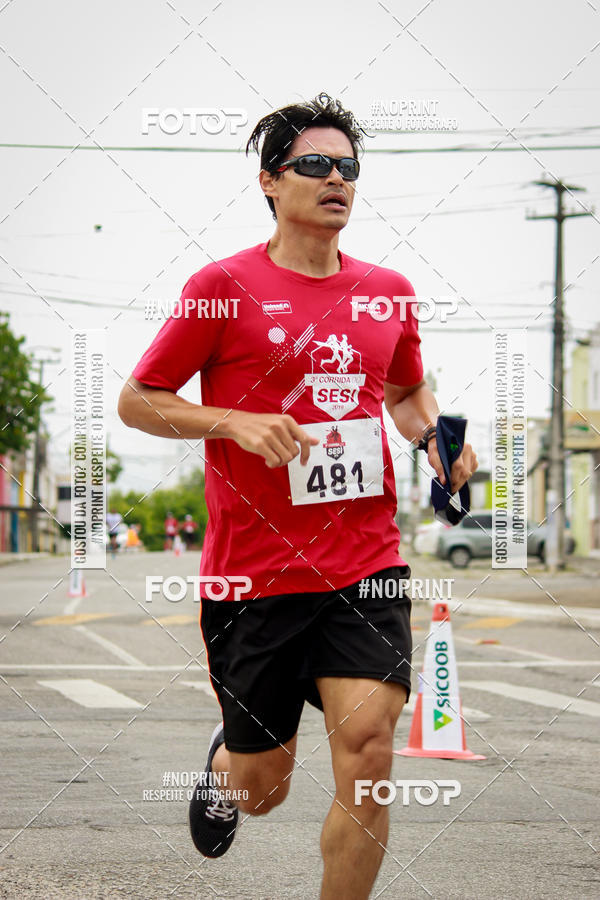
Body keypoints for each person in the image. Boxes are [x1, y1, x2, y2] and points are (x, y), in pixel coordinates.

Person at [118, 93, 477, 899]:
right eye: (314, 164)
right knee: (263, 788)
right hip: (256, 578)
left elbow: (408, 391)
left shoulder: (388, 290)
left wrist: (434, 441)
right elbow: (139, 399)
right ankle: (225, 768)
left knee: (371, 755)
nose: (335, 179)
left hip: (364, 566)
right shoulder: (223, 285)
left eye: (348, 167)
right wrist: (233, 422)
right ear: (270, 182)